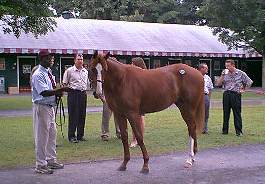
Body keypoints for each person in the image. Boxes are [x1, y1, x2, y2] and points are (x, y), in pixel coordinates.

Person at [32, 50, 69, 174]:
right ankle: (40, 164)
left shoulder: (48, 72)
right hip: (42, 107)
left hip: (50, 107)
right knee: (42, 136)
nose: (52, 59)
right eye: (49, 58)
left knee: (52, 134)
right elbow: (43, 92)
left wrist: (57, 92)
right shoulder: (38, 74)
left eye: (52, 58)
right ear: (42, 59)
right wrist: (60, 90)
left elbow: (51, 89)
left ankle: (50, 159)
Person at [216, 59, 253, 136]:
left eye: (228, 66)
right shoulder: (225, 73)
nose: (227, 67)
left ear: (233, 65)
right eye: (226, 66)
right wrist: (222, 75)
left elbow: (249, 82)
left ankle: (239, 132)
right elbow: (218, 84)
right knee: (226, 113)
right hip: (226, 94)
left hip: (235, 94)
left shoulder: (240, 73)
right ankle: (225, 131)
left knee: (237, 113)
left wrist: (244, 89)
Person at [62, 54, 89, 143]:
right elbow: (65, 83)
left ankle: (80, 135)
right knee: (73, 115)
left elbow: (87, 83)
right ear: (74, 60)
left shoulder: (85, 71)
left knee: (82, 115)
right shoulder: (69, 71)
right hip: (73, 94)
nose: (80, 61)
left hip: (83, 94)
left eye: (81, 59)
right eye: (78, 59)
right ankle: (72, 136)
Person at [129, 57, 147, 148]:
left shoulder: (142, 74)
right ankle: (136, 139)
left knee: (140, 118)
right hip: (135, 98)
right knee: (136, 118)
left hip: (140, 99)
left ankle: (137, 139)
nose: (131, 65)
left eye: (132, 63)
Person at [198, 63, 213, 134]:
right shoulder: (195, 76)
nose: (207, 69)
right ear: (201, 69)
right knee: (197, 112)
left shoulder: (207, 78)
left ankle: (205, 129)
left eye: (207, 68)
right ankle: (197, 128)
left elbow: (210, 88)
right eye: (206, 68)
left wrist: (208, 97)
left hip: (205, 95)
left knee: (206, 113)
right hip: (197, 96)